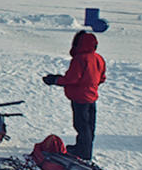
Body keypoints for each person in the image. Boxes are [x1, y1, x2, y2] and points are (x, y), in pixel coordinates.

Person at [43, 31, 107, 160]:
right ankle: (83, 147)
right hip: (91, 96)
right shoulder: (98, 58)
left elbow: (71, 79)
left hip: (80, 97)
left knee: (81, 125)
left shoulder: (80, 59)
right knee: (89, 125)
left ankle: (84, 152)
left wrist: (55, 80)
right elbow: (102, 78)